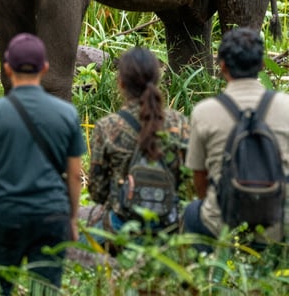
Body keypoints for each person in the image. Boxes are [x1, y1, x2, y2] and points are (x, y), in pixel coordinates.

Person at [0, 33, 85, 294]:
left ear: (7, 68)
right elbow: (75, 175)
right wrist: (72, 219)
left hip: (5, 215)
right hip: (52, 214)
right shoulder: (67, 114)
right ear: (45, 68)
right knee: (44, 290)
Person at [183, 26, 289, 246]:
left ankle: (207, 274)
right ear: (262, 65)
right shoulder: (286, 106)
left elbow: (199, 177)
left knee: (190, 213)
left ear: (221, 66)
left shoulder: (204, 111)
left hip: (222, 224)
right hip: (279, 223)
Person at [88, 47, 189, 234]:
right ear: (158, 79)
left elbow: (97, 192)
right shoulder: (179, 123)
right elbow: (189, 181)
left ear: (121, 83)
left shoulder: (107, 126)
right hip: (170, 226)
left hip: (122, 227)